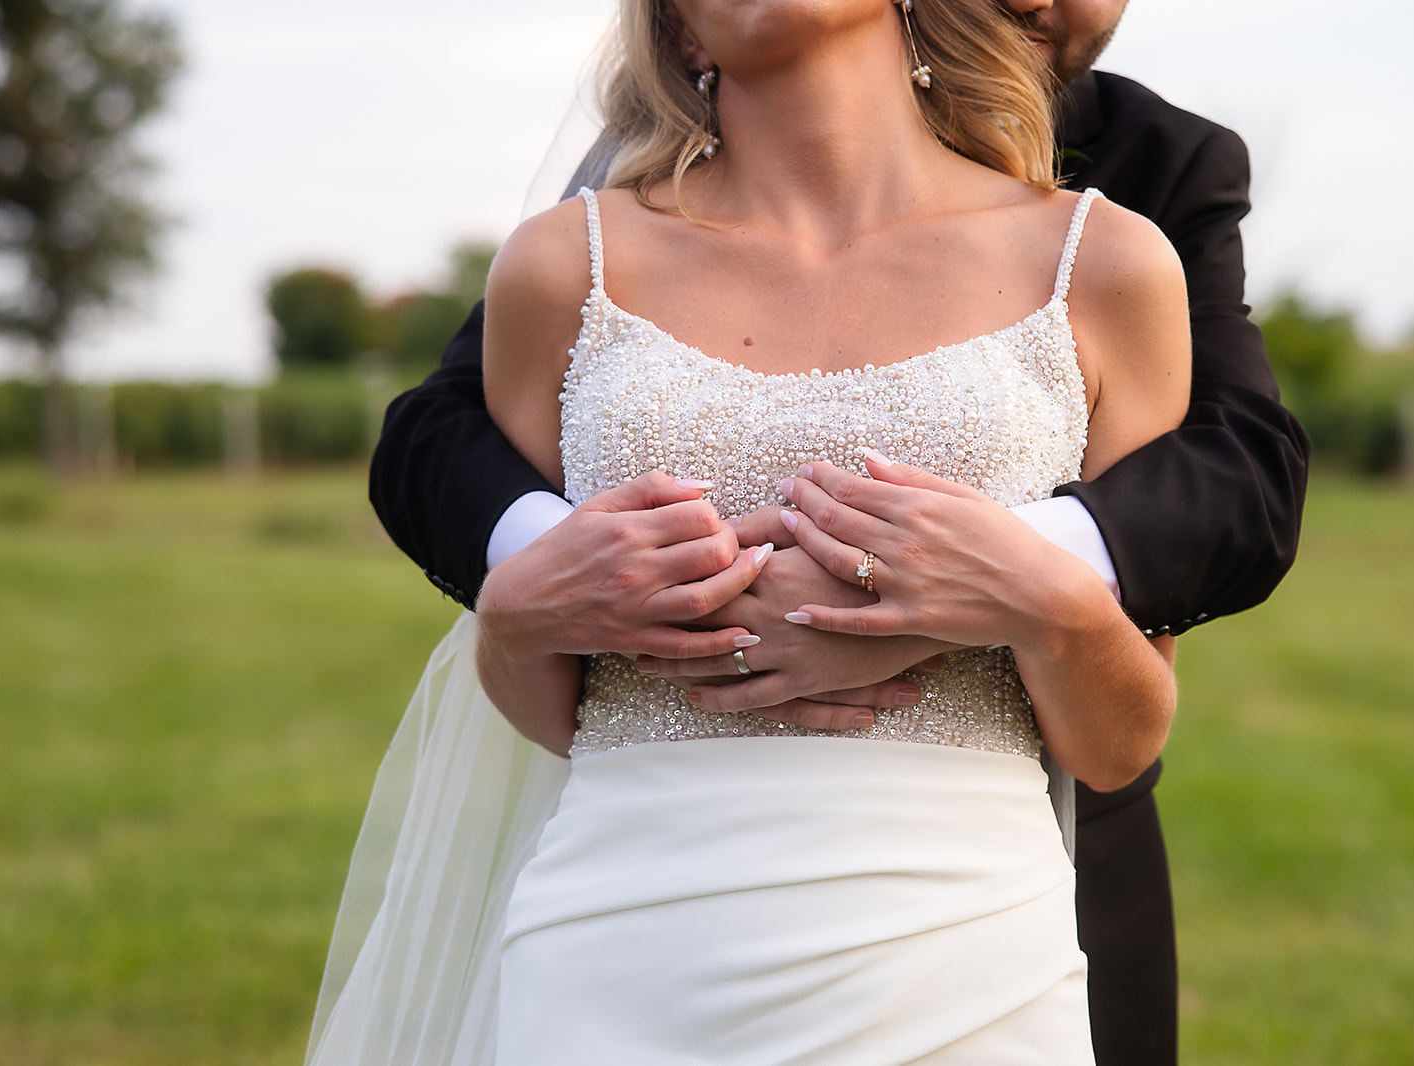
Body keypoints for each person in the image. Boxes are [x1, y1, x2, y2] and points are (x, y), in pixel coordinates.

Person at [365, 1, 1310, 1063]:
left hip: (961, 941)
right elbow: (529, 656)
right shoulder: (565, 261)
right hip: (619, 939)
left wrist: (1005, 583)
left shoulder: (1111, 252)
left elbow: (1150, 678)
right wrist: (528, 601)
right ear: (676, 33)